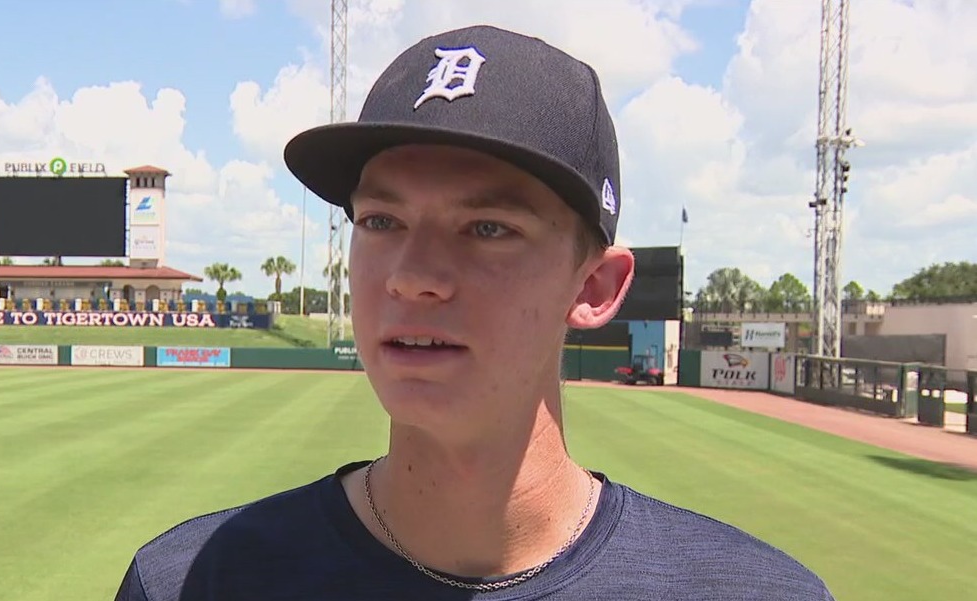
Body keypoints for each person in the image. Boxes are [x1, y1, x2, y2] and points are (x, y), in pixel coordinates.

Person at [113, 25, 835, 601]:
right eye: (380, 222)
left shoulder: (756, 592)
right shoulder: (193, 580)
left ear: (594, 287)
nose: (414, 275)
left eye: (488, 227)